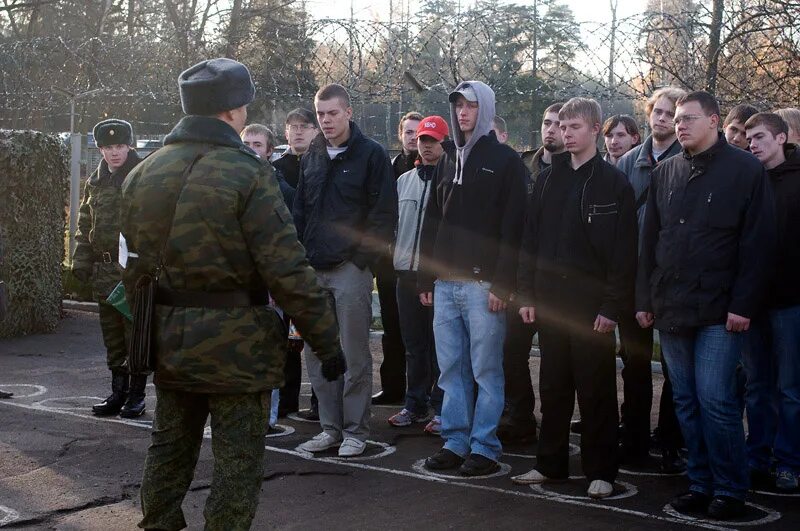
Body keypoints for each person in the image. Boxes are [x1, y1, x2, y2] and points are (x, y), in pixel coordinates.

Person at [119, 57, 345, 531]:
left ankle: (157, 522)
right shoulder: (248, 173)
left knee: (169, 446)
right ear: (232, 110)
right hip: (238, 346)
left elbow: (132, 264)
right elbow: (286, 267)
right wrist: (326, 341)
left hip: (171, 338)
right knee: (237, 463)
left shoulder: (145, 172)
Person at [636, 91, 775, 519]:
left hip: (721, 311)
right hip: (673, 306)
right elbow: (649, 241)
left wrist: (743, 304)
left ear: (714, 121)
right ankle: (700, 483)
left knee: (716, 399)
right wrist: (644, 298)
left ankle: (730, 489)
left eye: (689, 118)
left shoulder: (746, 170)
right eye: (676, 118)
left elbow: (758, 243)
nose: (679, 125)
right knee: (686, 402)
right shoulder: (666, 172)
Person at [511, 97, 637, 499]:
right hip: (550, 302)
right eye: (562, 127)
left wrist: (611, 307)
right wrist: (528, 293)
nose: (565, 134)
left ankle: (601, 470)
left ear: (594, 130)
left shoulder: (614, 183)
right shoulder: (547, 179)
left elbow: (623, 253)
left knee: (595, 388)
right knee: (553, 386)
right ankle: (551, 465)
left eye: (574, 127)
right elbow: (530, 242)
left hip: (592, 307)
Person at [418, 80, 527, 476]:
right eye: (458, 105)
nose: (463, 112)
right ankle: (456, 440)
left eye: (471, 105)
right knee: (451, 369)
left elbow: (514, 227)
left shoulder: (505, 161)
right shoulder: (446, 158)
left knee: (485, 370)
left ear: (486, 109)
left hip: (484, 286)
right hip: (445, 284)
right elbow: (432, 222)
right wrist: (426, 278)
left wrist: (503, 283)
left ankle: (484, 445)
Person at [294, 83, 397, 457]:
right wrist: (301, 256)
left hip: (350, 269)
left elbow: (383, 214)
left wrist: (361, 260)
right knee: (318, 352)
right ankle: (329, 427)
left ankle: (355, 431)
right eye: (320, 114)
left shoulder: (371, 155)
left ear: (349, 112)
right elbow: (301, 210)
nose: (325, 121)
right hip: (313, 267)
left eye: (332, 113)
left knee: (354, 355)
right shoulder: (313, 154)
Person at [614, 86, 687, 472]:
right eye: (657, 111)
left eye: (669, 113)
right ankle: (636, 439)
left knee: (677, 367)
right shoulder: (627, 162)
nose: (661, 118)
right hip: (632, 277)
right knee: (635, 364)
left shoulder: (689, 160)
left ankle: (671, 441)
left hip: (673, 279)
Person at [72, 118, 148, 418]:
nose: (115, 153)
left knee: (135, 335)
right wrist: (81, 263)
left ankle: (136, 395)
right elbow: (84, 223)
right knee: (112, 336)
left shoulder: (141, 176)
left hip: (132, 270)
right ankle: (118, 392)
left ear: (130, 146)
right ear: (100, 149)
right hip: (104, 271)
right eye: (108, 147)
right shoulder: (96, 180)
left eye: (120, 146)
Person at [743, 112, 800, 491]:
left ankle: (789, 462)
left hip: (791, 301)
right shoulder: (748, 179)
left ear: (781, 138)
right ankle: (756, 456)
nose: (753, 145)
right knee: (756, 385)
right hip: (749, 303)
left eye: (760, 137)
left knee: (791, 388)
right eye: (749, 139)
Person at [387, 115, 449, 435]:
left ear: (444, 144)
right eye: (423, 141)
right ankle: (415, 403)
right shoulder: (403, 181)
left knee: (440, 345)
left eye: (432, 141)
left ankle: (440, 407)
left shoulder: (451, 180)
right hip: (405, 275)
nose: (426, 146)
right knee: (413, 344)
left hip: (437, 278)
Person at [240, 123, 297, 422]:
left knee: (271, 350)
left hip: (271, 282)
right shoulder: (230, 182)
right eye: (246, 143)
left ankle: (268, 415)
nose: (250, 149)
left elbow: (288, 239)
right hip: (238, 283)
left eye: (257, 145)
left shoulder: (282, 189)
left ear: (270, 151)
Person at [372, 111, 423, 406]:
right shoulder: (389, 169)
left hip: (419, 266)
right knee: (392, 328)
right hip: (390, 262)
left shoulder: (435, 168)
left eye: (418, 132)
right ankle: (392, 387)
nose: (413, 137)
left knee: (420, 333)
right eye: (408, 132)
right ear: (400, 135)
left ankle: (422, 392)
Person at [273, 108, 318, 189]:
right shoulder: (276, 168)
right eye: (294, 127)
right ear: (287, 134)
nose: (299, 132)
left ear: (315, 132)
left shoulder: (324, 164)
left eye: (304, 126)